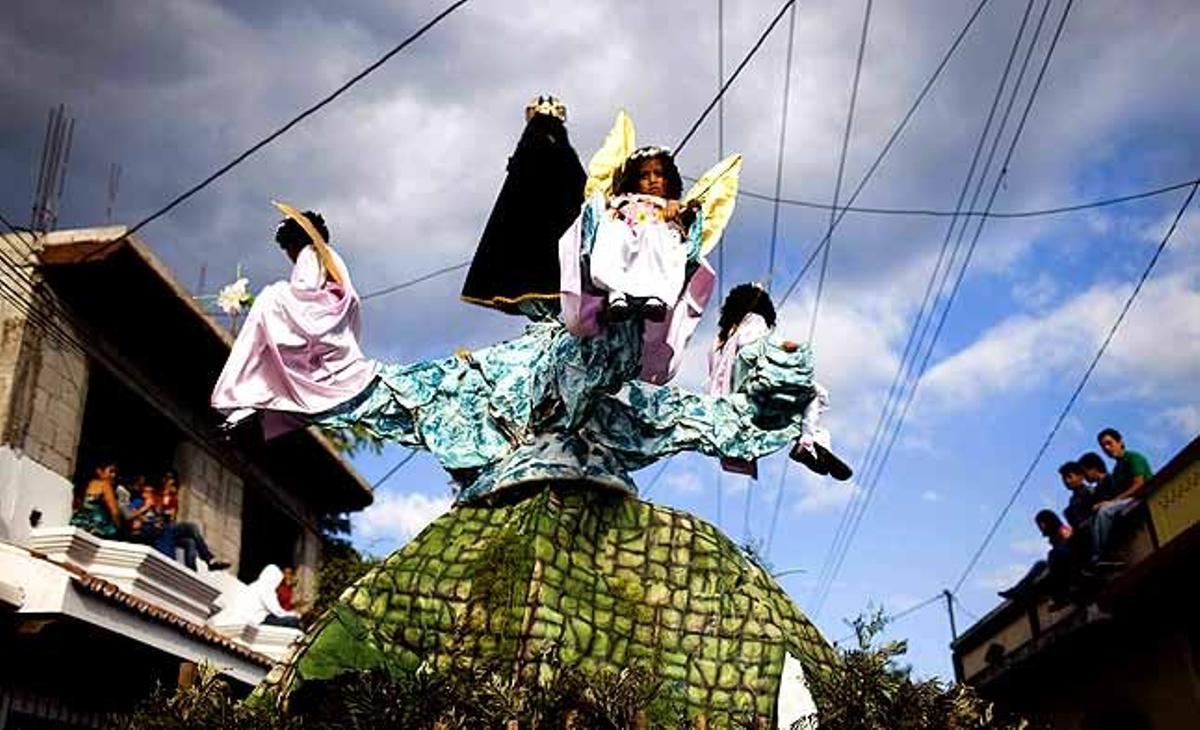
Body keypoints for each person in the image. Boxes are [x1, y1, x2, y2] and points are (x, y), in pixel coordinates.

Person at [211, 206, 378, 437]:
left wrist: (269, 298)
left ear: (295, 242)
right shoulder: (328, 255)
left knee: (271, 298)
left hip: (317, 315)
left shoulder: (310, 253)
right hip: (329, 317)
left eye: (287, 247)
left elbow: (306, 288)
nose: (288, 255)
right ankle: (264, 390)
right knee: (272, 306)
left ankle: (254, 390)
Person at [707, 283, 851, 481]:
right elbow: (766, 347)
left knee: (798, 410)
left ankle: (814, 443)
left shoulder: (720, 340)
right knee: (812, 395)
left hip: (735, 394)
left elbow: (716, 372)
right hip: (758, 386)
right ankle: (808, 441)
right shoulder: (755, 323)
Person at [460, 95, 586, 319]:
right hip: (529, 230)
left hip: (562, 228)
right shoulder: (529, 157)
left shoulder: (564, 158)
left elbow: (578, 186)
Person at [588, 146, 700, 322]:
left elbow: (685, 220)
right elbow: (609, 208)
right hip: (629, 238)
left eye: (659, 174)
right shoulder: (626, 200)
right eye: (644, 176)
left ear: (668, 178)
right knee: (613, 230)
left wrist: (678, 210)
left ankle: (655, 297)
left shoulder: (669, 204)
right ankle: (616, 294)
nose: (652, 180)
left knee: (653, 232)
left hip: (657, 240)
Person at [1088, 428, 1154, 562]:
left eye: (1109, 443)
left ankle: (1105, 555)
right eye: (1103, 446)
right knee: (1094, 517)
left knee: (1105, 511)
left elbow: (1139, 485)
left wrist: (1111, 502)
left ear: (1120, 442)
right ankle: (1105, 554)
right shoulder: (1116, 470)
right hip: (1127, 502)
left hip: (1143, 496)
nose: (1106, 448)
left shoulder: (1134, 457)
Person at [998, 510, 1073, 602]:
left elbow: (1069, 548)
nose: (1041, 528)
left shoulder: (1063, 530)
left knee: (1050, 556)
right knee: (1040, 564)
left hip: (1067, 566)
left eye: (1042, 525)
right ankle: (1018, 590)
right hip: (1058, 565)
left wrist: (1056, 549)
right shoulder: (1054, 537)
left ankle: (1058, 595)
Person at [209, 565, 301, 629]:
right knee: (292, 621)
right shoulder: (266, 589)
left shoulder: (253, 586)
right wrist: (294, 614)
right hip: (254, 620)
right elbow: (277, 612)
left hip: (244, 618)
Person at [69, 461, 122, 539]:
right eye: (111, 471)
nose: (114, 475)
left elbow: (75, 508)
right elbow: (114, 511)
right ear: (99, 471)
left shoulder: (81, 487)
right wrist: (119, 527)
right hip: (97, 529)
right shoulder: (104, 485)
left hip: (78, 526)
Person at [1058, 461, 1094, 531]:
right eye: (1064, 478)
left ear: (1081, 476)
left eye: (1070, 477)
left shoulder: (1089, 492)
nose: (1067, 481)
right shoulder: (1072, 500)